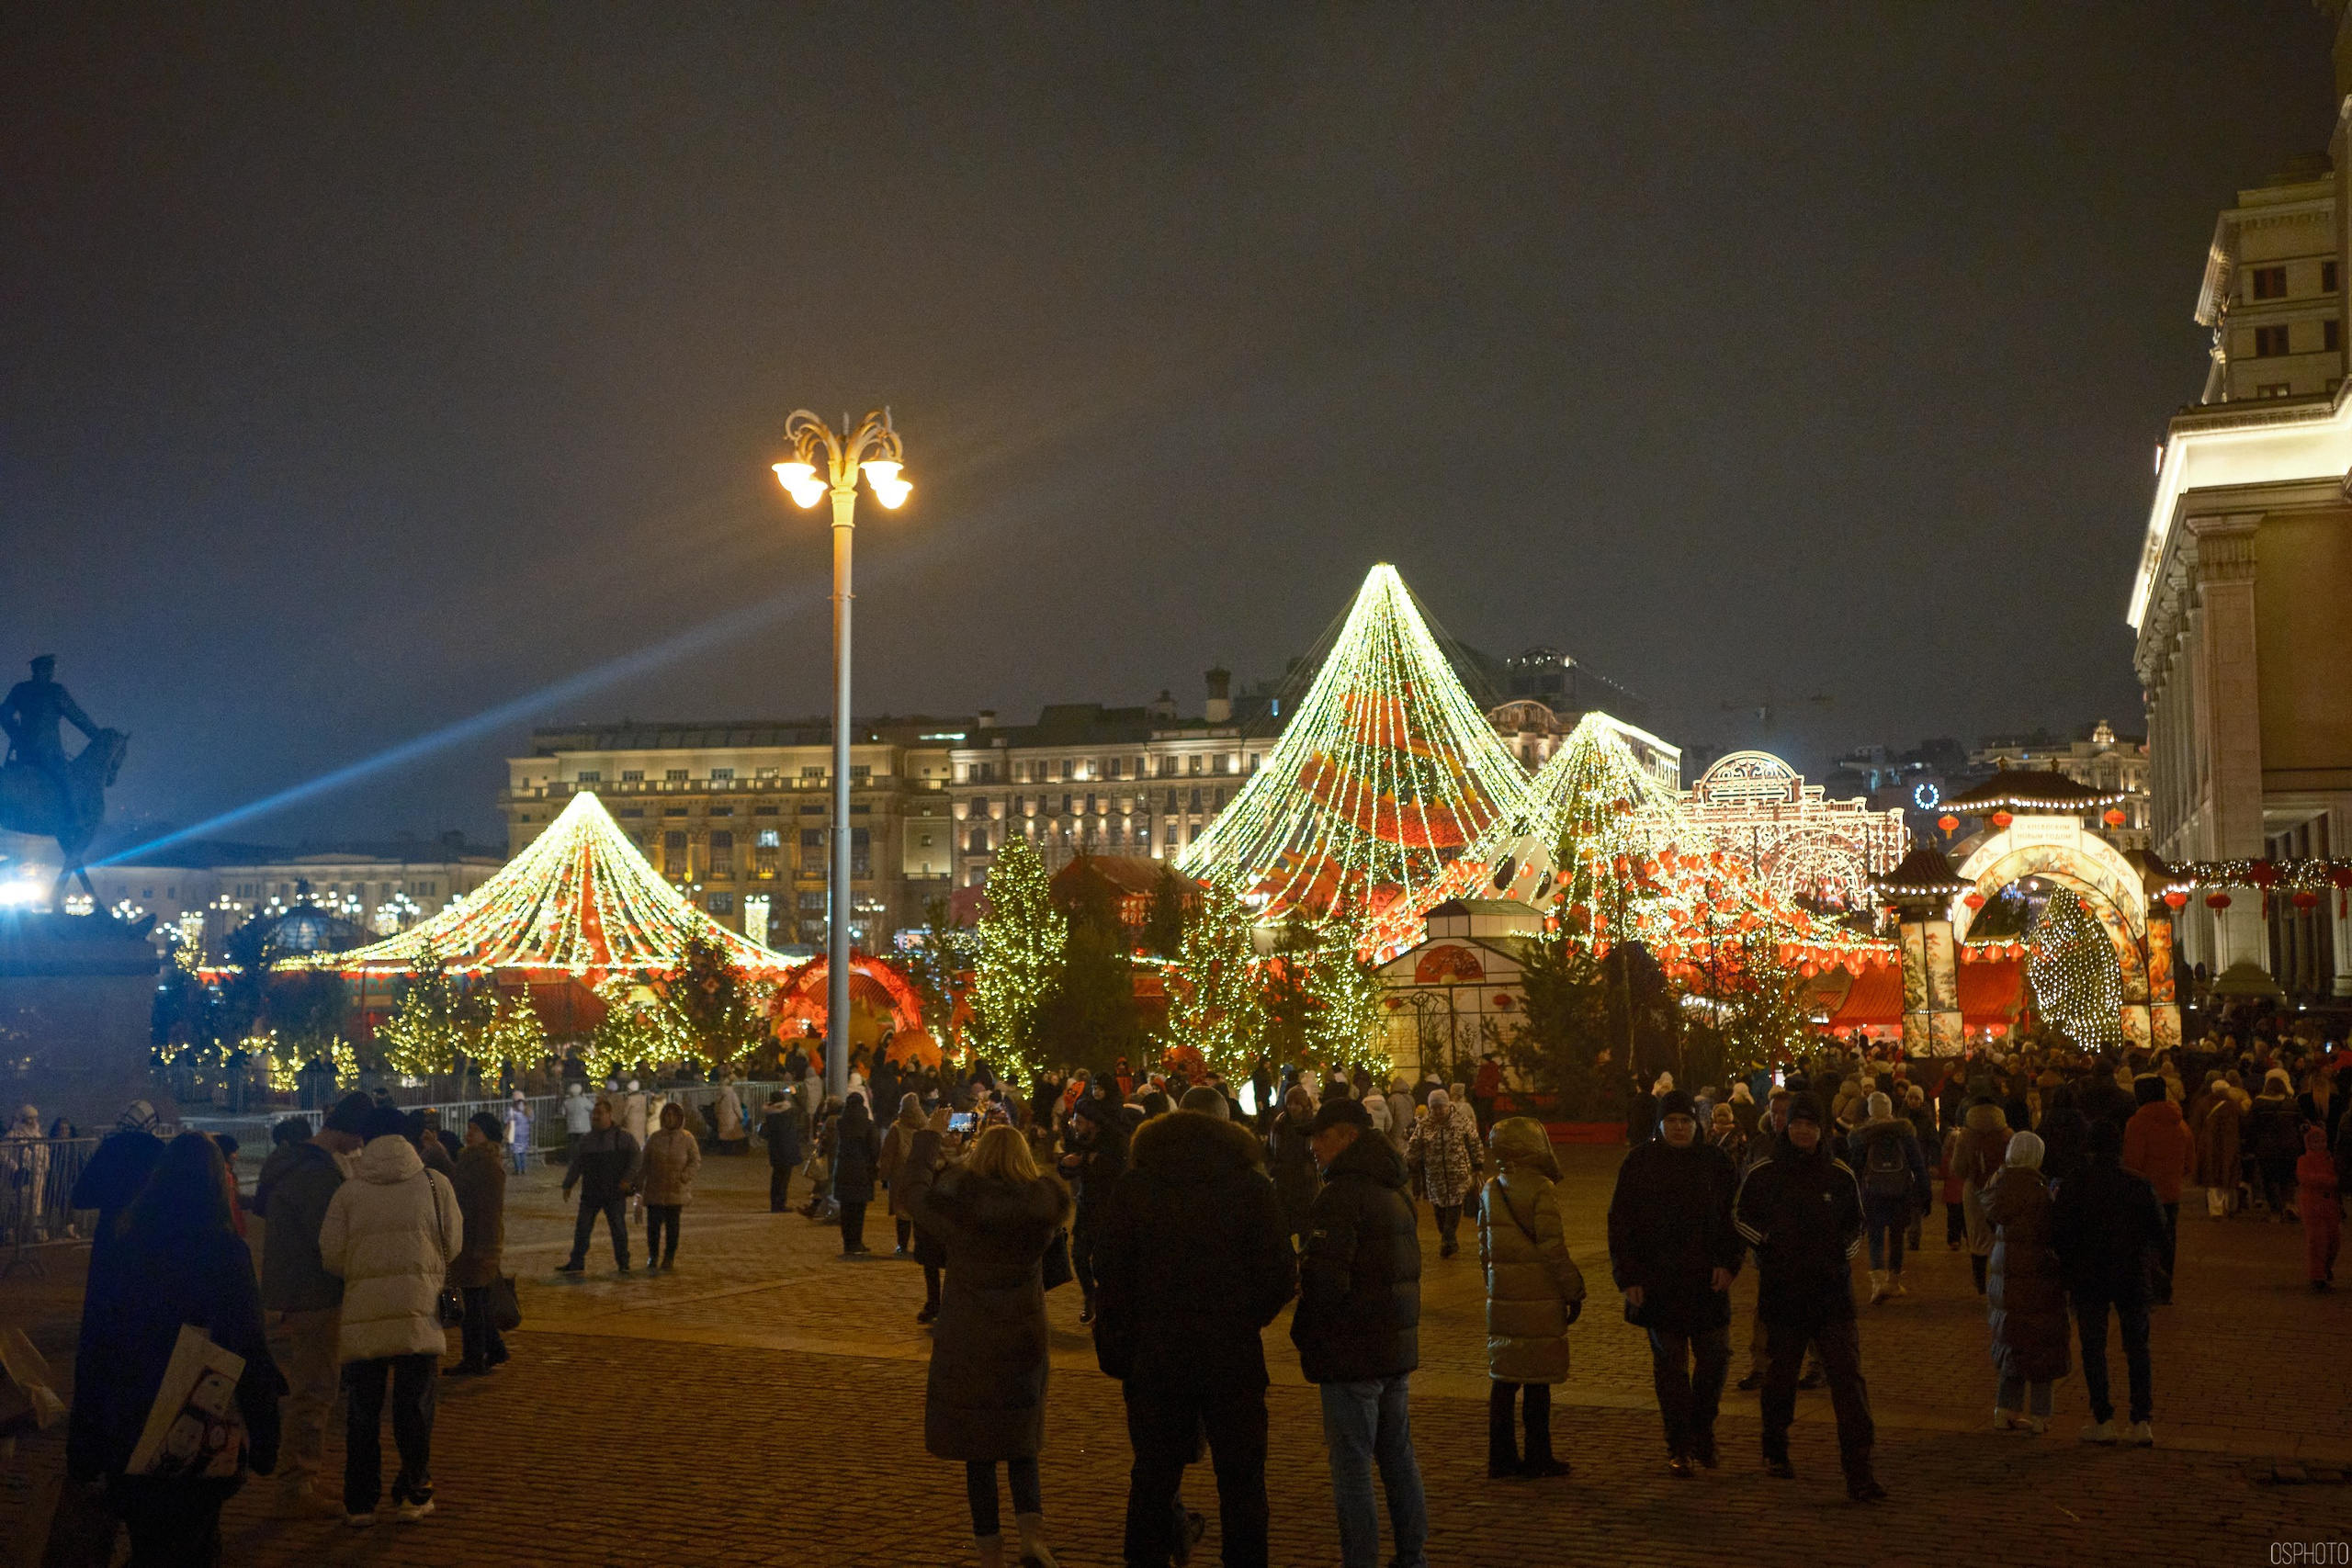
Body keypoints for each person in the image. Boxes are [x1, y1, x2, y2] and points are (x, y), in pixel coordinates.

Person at [1093, 1085, 1297, 1568]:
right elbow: (1278, 1274)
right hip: (1230, 1351)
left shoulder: (1138, 1183)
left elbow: (1109, 1265)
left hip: (1157, 1351)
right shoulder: (1250, 1187)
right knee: (1242, 1477)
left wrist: (1134, 1324)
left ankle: (1145, 1558)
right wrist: (1245, 1317)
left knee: (1153, 1475)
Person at [65, 1132, 282, 1564]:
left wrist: (84, 1443)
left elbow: (98, 1346)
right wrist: (266, 1434)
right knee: (188, 1542)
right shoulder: (224, 1254)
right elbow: (247, 1349)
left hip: (127, 1421)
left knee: (158, 1542)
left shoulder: (126, 1248)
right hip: (196, 1423)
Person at [910, 1125, 1072, 1568]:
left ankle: (990, 1552)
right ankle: (1033, 1538)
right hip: (1023, 1335)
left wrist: (929, 1140)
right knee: (1021, 1439)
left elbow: (915, 1195)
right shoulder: (1040, 1208)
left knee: (977, 1448)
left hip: (969, 1335)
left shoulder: (962, 1207)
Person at [1292, 1097, 1427, 1568]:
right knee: (1397, 1458)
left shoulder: (1341, 1195)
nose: (1313, 1147)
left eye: (1321, 1137)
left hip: (1352, 1353)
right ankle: (1412, 1556)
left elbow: (1324, 1283)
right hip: (1394, 1347)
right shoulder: (1395, 1188)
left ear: (1349, 1136)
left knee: (1352, 1468)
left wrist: (1306, 1335)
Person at [1735, 1092, 1883, 1503]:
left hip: (1832, 1296)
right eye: (1797, 1123)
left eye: (1811, 1125)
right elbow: (1742, 1217)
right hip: (1783, 1295)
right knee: (1780, 1378)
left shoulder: (1838, 1175)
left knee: (1848, 1383)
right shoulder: (1765, 1173)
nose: (1802, 1130)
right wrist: (1769, 1246)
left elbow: (1857, 1225)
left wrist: (1842, 1255)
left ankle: (1859, 1470)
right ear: (1785, 1126)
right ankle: (1776, 1447)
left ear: (1822, 1131)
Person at [319, 1105, 463, 1526]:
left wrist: (364, 1272)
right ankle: (414, 1492)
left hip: (365, 1314)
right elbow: (452, 1243)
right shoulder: (435, 1185)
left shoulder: (349, 1191)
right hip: (420, 1310)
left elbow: (331, 1253)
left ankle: (360, 1500)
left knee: (363, 1412)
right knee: (414, 1408)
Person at [1608, 1088, 1741, 1477]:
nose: (1679, 1128)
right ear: (1660, 1124)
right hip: (1658, 1283)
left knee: (1715, 1359)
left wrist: (1730, 1263)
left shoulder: (1716, 1162)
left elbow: (1733, 1218)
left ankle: (1703, 1431)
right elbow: (1621, 1224)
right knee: (1670, 1368)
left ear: (1695, 1124)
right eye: (1672, 1122)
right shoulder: (1639, 1163)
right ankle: (1679, 1443)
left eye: (1685, 1121)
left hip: (1707, 1282)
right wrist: (1627, 1277)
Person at [254, 1092, 370, 1515]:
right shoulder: (317, 1175)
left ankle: (301, 1478)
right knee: (316, 1390)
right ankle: (299, 1482)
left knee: (313, 1387)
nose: (360, 1147)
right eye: (359, 1137)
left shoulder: (294, 1162)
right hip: (315, 1294)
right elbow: (330, 1240)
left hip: (297, 1290)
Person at [1476, 1116, 1586, 1480]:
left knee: (1504, 1381)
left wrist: (1495, 1284)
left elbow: (1483, 1247)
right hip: (1539, 1296)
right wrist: (1573, 1289)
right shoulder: (1541, 1187)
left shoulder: (1492, 1187)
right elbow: (1553, 1247)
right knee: (1538, 1382)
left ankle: (1501, 1458)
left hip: (1504, 1294)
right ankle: (1539, 1456)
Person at [2052, 1119, 2164, 1445]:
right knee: (2138, 1347)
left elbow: (2059, 1231)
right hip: (2131, 1273)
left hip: (2089, 1276)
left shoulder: (2076, 1182)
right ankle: (2141, 1420)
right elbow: (2159, 1228)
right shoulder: (2137, 1184)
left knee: (2093, 1347)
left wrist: (2071, 1262)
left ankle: (2104, 1418)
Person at [1983, 1131, 2068, 1434]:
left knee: (2011, 1340)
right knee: (2041, 1343)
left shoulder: (1998, 1185)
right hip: (2036, 1273)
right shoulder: (2038, 1191)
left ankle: (2004, 1409)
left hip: (2004, 1270)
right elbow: (2049, 1232)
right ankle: (2041, 1414)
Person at [68, 1099, 166, 1282]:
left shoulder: (110, 1148)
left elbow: (81, 1195)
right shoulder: (160, 1151)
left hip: (111, 1232)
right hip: (149, 1234)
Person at [1847, 1091, 1930, 1304]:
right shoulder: (1903, 1132)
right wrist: (1925, 1193)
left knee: (1874, 1236)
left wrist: (1852, 1197)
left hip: (1872, 1192)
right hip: (1900, 1191)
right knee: (1896, 1236)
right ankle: (1893, 1282)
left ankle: (1877, 1283)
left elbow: (1854, 1168)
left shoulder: (1863, 1135)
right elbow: (1918, 1165)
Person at [2121, 1073, 2195, 1304]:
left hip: (2144, 1193)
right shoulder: (2180, 1123)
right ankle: (2164, 1287)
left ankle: (2148, 1287)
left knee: (2144, 1243)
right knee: (2167, 1241)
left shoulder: (2137, 1123)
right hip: (2171, 1193)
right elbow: (2189, 1164)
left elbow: (2132, 1163)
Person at [447, 1111, 509, 1375]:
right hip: (466, 1238)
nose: (468, 1133)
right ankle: (493, 1348)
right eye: (469, 1128)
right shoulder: (469, 1160)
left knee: (473, 1303)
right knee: (477, 1300)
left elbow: (490, 1209)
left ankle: (474, 1357)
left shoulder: (487, 1165)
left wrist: (487, 1248)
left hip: (476, 1242)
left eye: (475, 1129)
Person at [558, 1099, 639, 1274]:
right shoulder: (587, 1140)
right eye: (594, 1113)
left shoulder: (622, 1138)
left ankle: (623, 1263)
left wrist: (627, 1179)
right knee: (583, 1228)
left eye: (599, 1113)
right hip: (592, 1192)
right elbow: (578, 1163)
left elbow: (635, 1159)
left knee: (618, 1228)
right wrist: (568, 1184)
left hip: (614, 1192)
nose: (595, 1116)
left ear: (609, 1115)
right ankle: (576, 1262)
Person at [1404, 1088, 1481, 1259]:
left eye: (1441, 1107)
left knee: (1454, 1207)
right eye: (1434, 1108)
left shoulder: (1461, 1122)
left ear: (1448, 1106)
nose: (1438, 1111)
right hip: (1435, 1176)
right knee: (1439, 1211)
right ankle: (1449, 1238)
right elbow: (1414, 1146)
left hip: (1458, 1174)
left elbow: (1475, 1143)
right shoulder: (1425, 1125)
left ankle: (1448, 1238)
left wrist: (1478, 1164)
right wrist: (1408, 1162)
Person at [900, 1106, 954, 1325]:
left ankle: (950, 1306)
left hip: (950, 1224)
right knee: (931, 1266)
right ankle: (933, 1303)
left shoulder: (968, 1158)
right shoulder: (931, 1156)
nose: (954, 1136)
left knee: (953, 1266)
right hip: (930, 1224)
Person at [1955, 1092, 2012, 1295]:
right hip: (2001, 1188)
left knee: (1978, 1236)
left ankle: (1980, 1284)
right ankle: (2001, 1281)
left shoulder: (1966, 1135)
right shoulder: (2007, 1134)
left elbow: (1958, 1168)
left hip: (1974, 1189)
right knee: (2002, 1234)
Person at [639, 1100, 702, 1272]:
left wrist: (685, 1176)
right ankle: (653, 1255)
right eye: (667, 1114)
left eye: (673, 1115)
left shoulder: (687, 1139)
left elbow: (695, 1160)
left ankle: (669, 1257)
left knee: (673, 1228)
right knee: (653, 1228)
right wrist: (638, 1183)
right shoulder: (655, 1138)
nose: (669, 1118)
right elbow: (644, 1162)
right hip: (655, 1189)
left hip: (676, 1190)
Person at [1268, 1086, 1323, 1251]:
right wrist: (1275, 1168)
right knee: (1284, 1221)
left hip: (1305, 1180)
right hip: (1284, 1178)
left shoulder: (1311, 1124)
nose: (1292, 1107)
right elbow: (1270, 1150)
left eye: (1296, 1103)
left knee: (1305, 1221)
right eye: (1289, 1103)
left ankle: (1304, 1253)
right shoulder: (1280, 1124)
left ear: (1304, 1105)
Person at [831, 1090, 882, 1257]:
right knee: (859, 1209)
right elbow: (874, 1148)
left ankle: (848, 1242)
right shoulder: (868, 1125)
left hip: (844, 1168)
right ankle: (856, 1242)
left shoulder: (840, 1123)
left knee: (846, 1208)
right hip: (861, 1170)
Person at [2246, 1066, 2303, 1218]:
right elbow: (2300, 1124)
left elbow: (2251, 1126)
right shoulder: (2292, 1103)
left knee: (2270, 1178)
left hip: (2266, 1147)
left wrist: (2251, 1145)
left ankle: (2276, 1208)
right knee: (2288, 1177)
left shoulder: (2259, 1103)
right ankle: (2289, 1203)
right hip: (2290, 1146)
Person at [882, 1092, 928, 1254]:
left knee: (902, 1211)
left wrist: (884, 1175)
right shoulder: (925, 1126)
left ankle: (902, 1245)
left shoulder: (897, 1128)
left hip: (901, 1174)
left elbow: (888, 1154)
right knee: (918, 1211)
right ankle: (920, 1244)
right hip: (921, 1174)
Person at [2299, 1122, 2341, 1290]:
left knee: (2333, 1239)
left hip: (2329, 1203)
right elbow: (2306, 1178)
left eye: (2322, 1142)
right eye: (2315, 1142)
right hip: (2312, 1203)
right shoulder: (2304, 1160)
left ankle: (2325, 1267)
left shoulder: (2331, 1159)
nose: (2319, 1145)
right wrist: (2328, 1180)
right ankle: (2317, 1275)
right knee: (2318, 1240)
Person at [758, 1090, 805, 1212]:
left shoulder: (769, 1114)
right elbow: (802, 1107)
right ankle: (780, 1204)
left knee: (776, 1178)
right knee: (784, 1179)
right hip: (788, 1148)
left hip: (775, 1149)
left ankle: (775, 1204)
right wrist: (795, 1094)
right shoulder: (788, 1112)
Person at [560, 1081, 593, 1162]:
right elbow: (592, 1107)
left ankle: (572, 1160)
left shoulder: (567, 1102)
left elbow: (562, 1113)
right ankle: (584, 1160)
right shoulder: (583, 1100)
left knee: (572, 1145)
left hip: (571, 1127)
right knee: (583, 1145)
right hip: (584, 1127)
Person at [502, 1092, 533, 1176]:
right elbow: (532, 1119)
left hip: (515, 1133)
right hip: (525, 1133)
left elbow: (506, 1120)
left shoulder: (512, 1110)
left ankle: (518, 1169)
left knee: (516, 1152)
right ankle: (524, 1169)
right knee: (523, 1151)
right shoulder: (527, 1109)